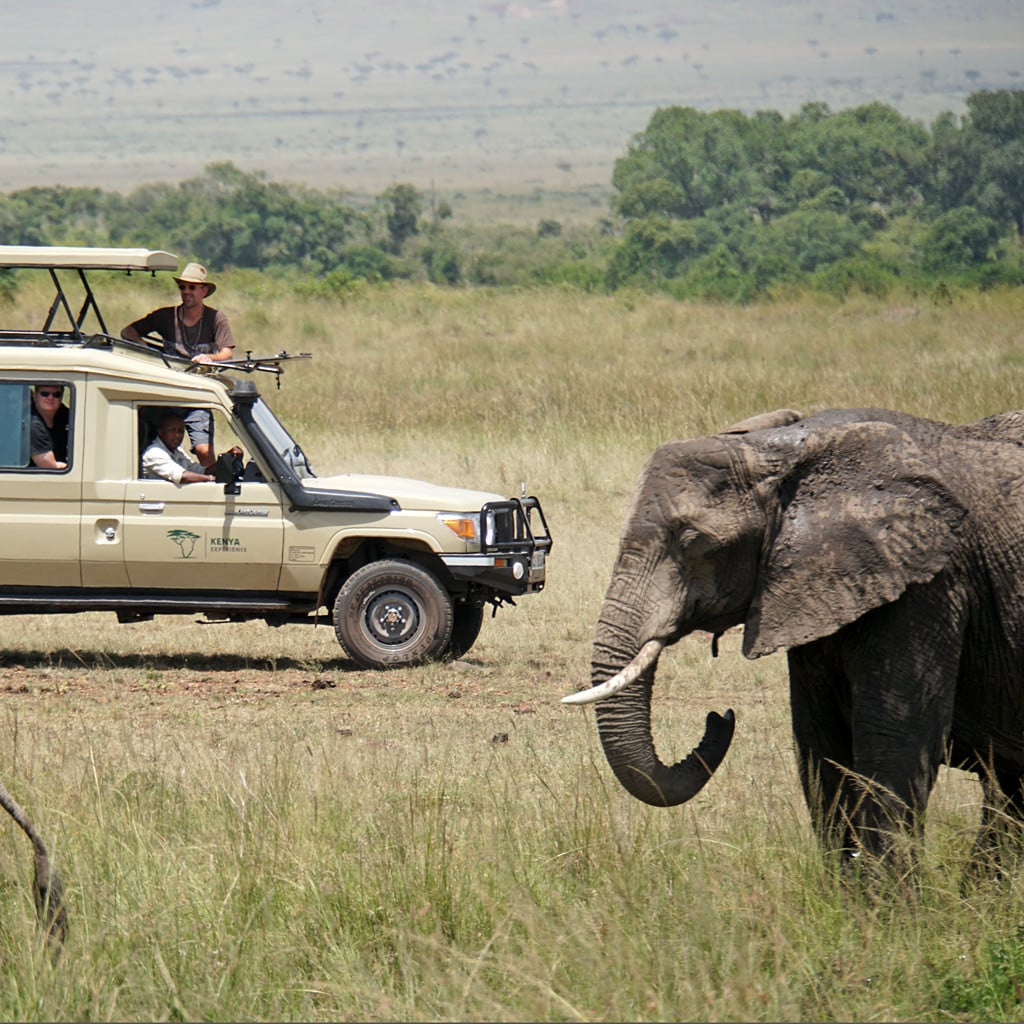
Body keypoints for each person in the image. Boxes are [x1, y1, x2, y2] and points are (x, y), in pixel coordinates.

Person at [122, 262, 236, 467]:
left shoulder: (216, 318)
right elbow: (128, 332)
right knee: (142, 439)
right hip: (166, 394)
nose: (186, 292)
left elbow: (227, 353)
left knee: (204, 450)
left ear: (204, 291)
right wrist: (150, 352)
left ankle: (212, 485)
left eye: (192, 287)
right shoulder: (165, 316)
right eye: (183, 287)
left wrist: (209, 358)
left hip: (198, 396)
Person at [142, 412, 215, 484]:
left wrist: (222, 464)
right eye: (172, 430)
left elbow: (201, 471)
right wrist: (211, 479)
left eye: (180, 431)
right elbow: (182, 477)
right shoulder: (154, 452)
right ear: (160, 431)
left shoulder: (178, 451)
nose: (177, 436)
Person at [30, 383, 69, 469]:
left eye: (56, 395)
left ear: (61, 397)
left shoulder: (65, 415)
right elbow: (50, 467)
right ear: (35, 395)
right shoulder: (33, 425)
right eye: (45, 394)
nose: (50, 398)